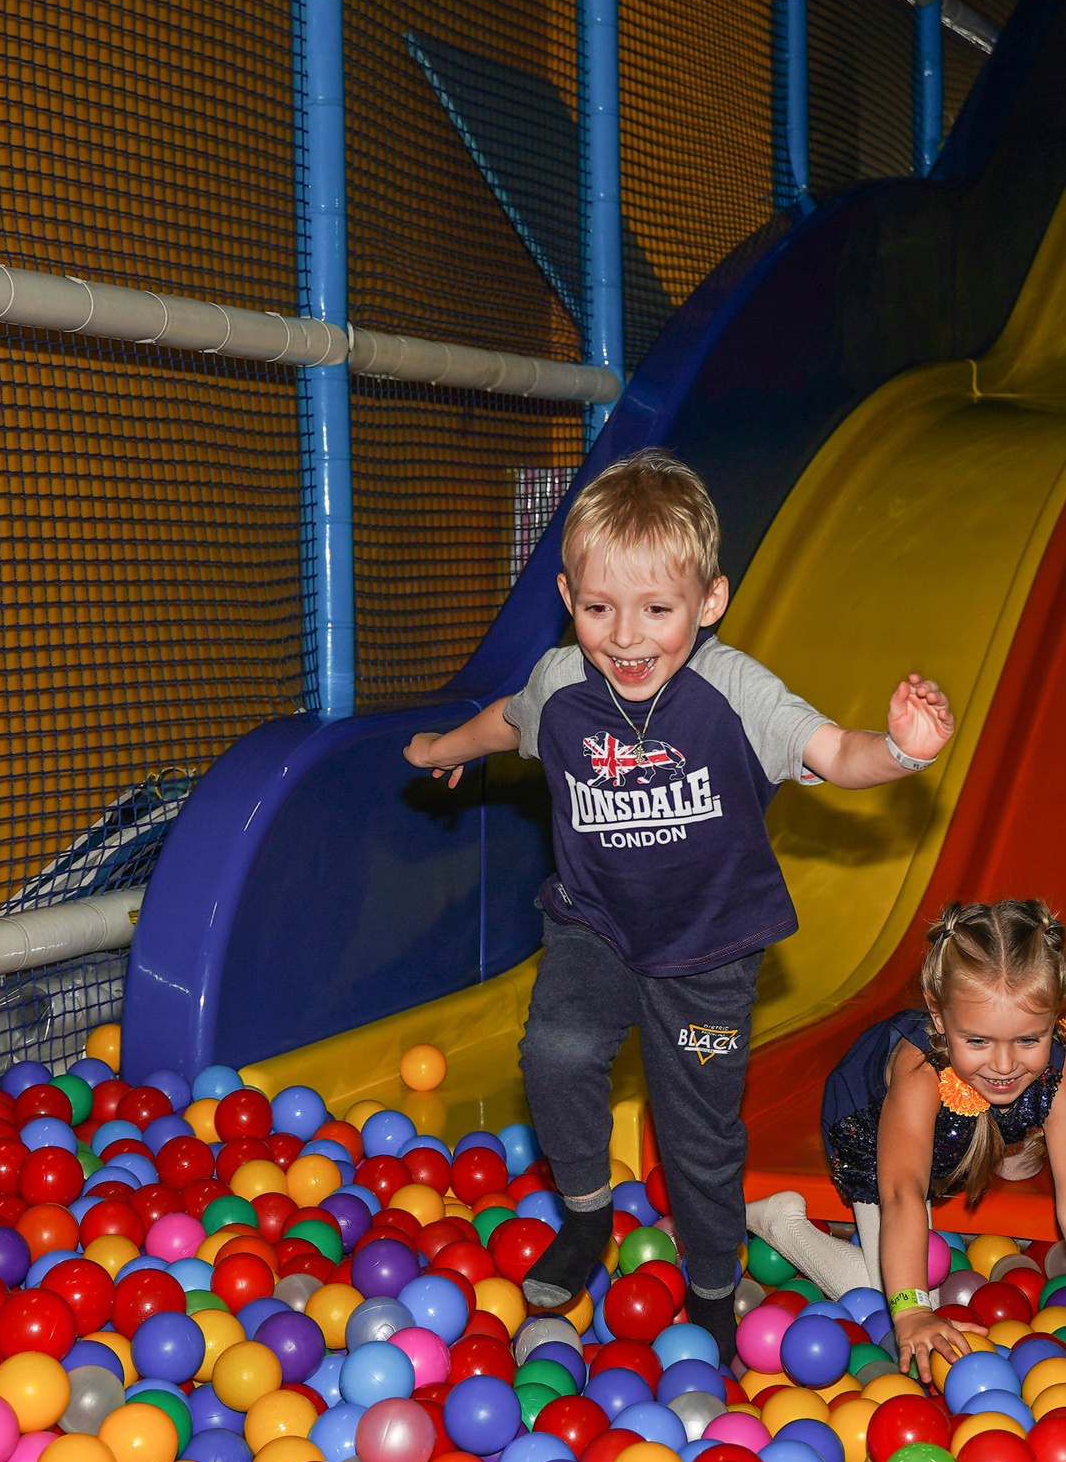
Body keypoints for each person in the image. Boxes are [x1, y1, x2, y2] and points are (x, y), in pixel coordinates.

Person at [404, 448, 955, 1354]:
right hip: (596, 925)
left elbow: (833, 754)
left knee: (696, 1129)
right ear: (566, 594)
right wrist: (440, 750)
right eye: (597, 608)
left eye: (657, 611)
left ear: (709, 604)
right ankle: (586, 1213)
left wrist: (901, 751)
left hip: (709, 952)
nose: (625, 636)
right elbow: (509, 717)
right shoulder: (563, 686)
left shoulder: (733, 691)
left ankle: (710, 1282)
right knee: (556, 1048)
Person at [744, 899, 1066, 1377]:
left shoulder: (1055, 1066)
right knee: (877, 1290)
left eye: (1029, 1040)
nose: (1005, 1065)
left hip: (965, 1116)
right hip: (873, 1128)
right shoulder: (920, 1071)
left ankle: (999, 1144)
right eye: (978, 1041)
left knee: (1017, 1133)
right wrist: (911, 1313)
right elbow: (903, 1193)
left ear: (1054, 1020)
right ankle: (779, 1223)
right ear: (939, 1015)